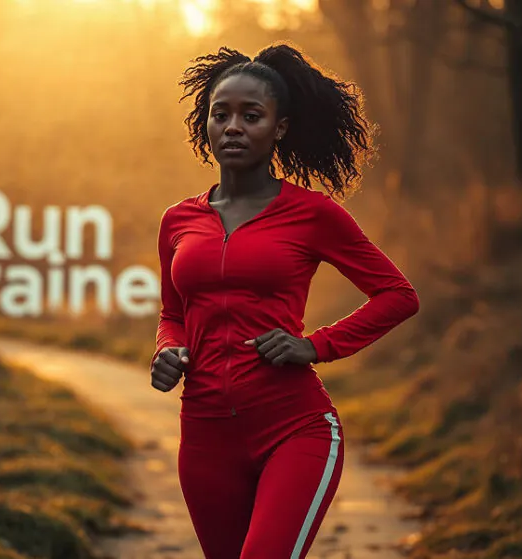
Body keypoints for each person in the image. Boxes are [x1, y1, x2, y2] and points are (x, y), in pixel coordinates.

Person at [149, 43, 420, 559]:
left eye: (252, 116)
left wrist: (316, 346)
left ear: (279, 128)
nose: (233, 127)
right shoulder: (178, 221)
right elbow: (173, 315)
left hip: (292, 429)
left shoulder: (313, 214)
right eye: (220, 114)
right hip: (205, 436)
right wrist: (168, 351)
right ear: (204, 125)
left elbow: (397, 295)